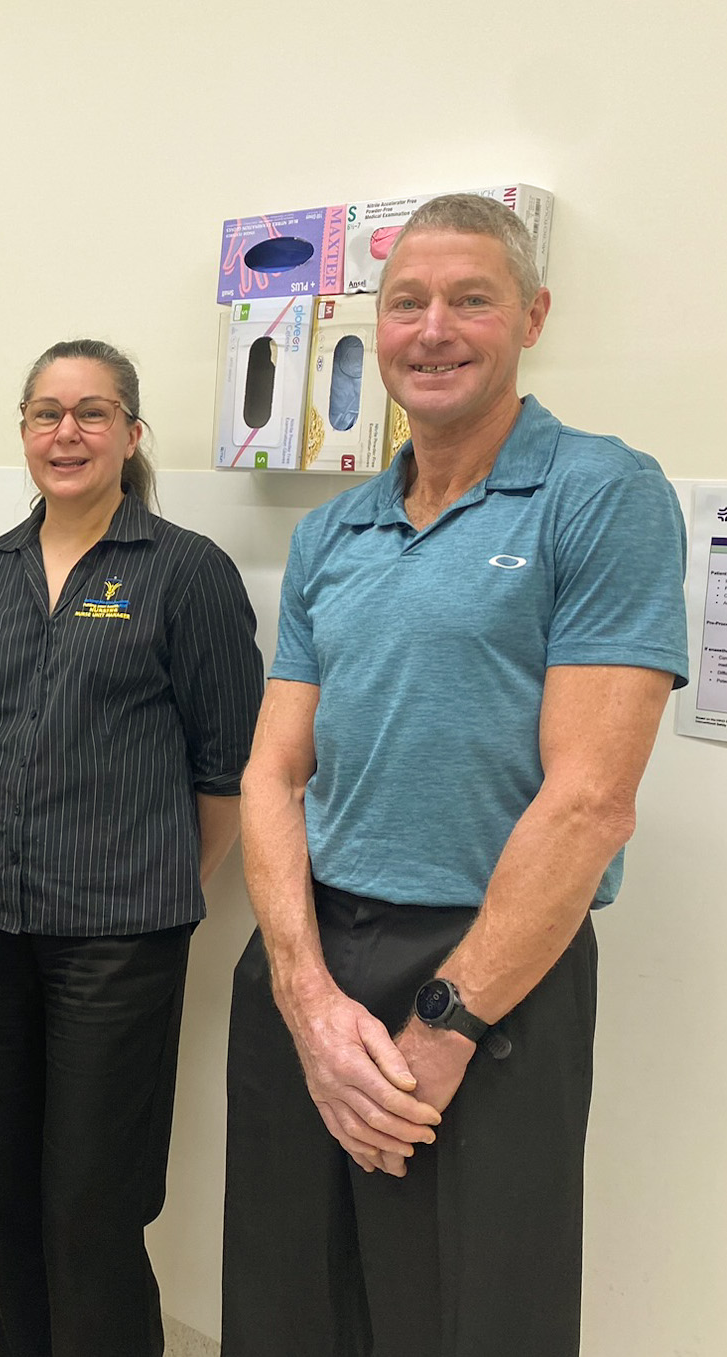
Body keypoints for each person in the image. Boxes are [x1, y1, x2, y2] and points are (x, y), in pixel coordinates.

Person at [221, 194, 689, 1356]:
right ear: (372, 329)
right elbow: (273, 776)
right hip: (311, 955)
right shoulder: (337, 533)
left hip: (490, 979)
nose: (435, 329)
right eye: (407, 302)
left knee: (473, 1320)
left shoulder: (602, 493)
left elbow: (591, 801)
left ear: (532, 314)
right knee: (286, 1308)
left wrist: (445, 1024)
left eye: (470, 299)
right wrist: (303, 992)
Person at [0, 339, 264, 1357]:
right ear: (26, 432)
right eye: (47, 413)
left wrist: (158, 884)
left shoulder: (186, 573)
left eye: (92, 412)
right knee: (7, 1196)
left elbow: (229, 771)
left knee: (92, 1206)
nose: (67, 432)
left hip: (118, 942)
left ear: (132, 434)